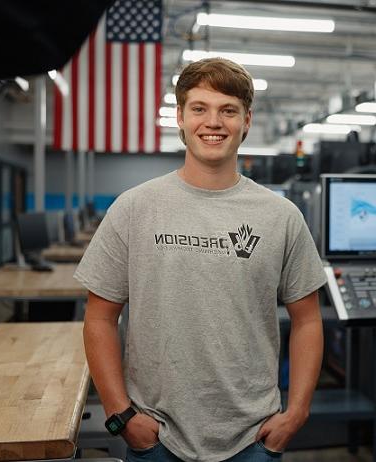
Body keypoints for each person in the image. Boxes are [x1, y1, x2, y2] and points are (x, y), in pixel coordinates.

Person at [74, 57, 327, 462]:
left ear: (246, 120)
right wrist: (121, 416)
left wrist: (296, 413)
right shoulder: (135, 208)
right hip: (156, 436)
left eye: (228, 110)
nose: (214, 122)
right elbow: (99, 318)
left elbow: (308, 320)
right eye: (200, 109)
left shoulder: (281, 216)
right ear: (180, 117)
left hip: (254, 439)